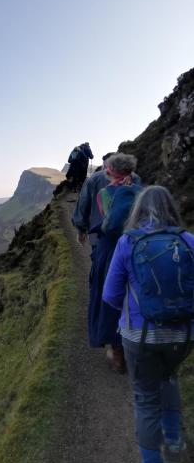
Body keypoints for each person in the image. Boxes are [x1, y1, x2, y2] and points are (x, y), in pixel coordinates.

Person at [103, 186, 194, 463]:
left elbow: (110, 294)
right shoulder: (188, 240)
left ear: (138, 209)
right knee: (169, 377)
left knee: (145, 400)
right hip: (183, 334)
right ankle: (175, 441)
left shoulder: (128, 242)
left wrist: (131, 310)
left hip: (139, 335)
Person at [85, 153, 140, 372]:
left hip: (111, 249)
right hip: (137, 246)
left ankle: (117, 352)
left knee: (108, 294)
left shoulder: (104, 193)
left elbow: (108, 222)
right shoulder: (141, 190)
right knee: (133, 293)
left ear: (111, 170)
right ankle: (137, 342)